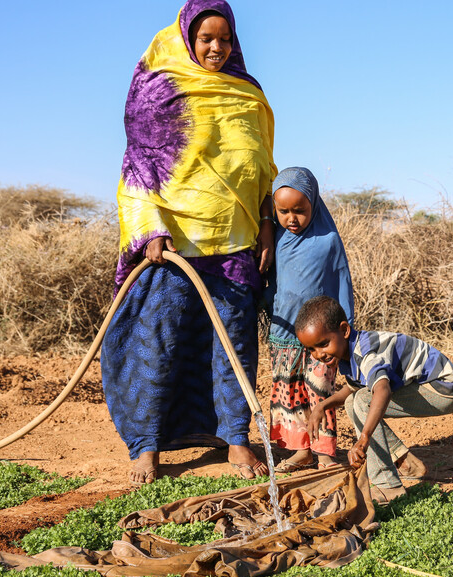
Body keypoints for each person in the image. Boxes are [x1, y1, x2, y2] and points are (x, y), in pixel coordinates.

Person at [101, 0, 277, 485]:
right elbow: (137, 164)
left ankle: (236, 439)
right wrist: (150, 229)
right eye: (207, 39)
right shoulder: (159, 88)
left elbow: (263, 166)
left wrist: (265, 221)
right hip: (172, 244)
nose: (217, 48)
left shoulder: (247, 93)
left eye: (225, 39)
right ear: (188, 38)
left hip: (236, 241)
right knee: (157, 343)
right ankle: (147, 446)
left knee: (234, 345)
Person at [297, 296, 453, 504]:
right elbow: (351, 389)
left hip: (444, 389)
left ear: (344, 330)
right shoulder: (349, 351)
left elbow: (382, 390)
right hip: (436, 387)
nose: (319, 354)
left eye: (323, 344)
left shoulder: (366, 352)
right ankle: (404, 461)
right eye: (311, 349)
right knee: (354, 400)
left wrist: (364, 438)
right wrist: (322, 406)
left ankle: (388, 486)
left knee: (362, 401)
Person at [263, 167, 354, 473]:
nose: (291, 218)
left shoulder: (328, 241)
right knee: (290, 392)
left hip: (321, 338)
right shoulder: (277, 240)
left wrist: (348, 328)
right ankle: (301, 449)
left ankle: (325, 452)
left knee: (320, 391)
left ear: (314, 203)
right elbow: (273, 285)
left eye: (299, 211)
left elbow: (343, 280)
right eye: (283, 211)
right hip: (284, 331)